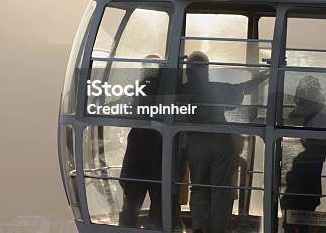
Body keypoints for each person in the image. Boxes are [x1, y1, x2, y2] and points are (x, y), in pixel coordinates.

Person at [181, 51, 269, 233]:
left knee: (198, 188)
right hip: (221, 142)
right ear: (206, 69)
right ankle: (217, 228)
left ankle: (198, 227)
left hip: (195, 142)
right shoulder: (215, 88)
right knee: (220, 191)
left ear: (188, 69)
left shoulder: (181, 90)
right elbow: (243, 88)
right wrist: (266, 74)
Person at [119, 55, 163, 228]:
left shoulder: (136, 90)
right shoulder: (166, 91)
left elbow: (123, 107)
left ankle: (126, 227)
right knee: (159, 202)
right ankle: (158, 225)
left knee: (131, 204)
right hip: (158, 155)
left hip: (136, 156)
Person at [281, 75, 326, 233]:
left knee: (294, 217)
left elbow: (291, 118)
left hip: (305, 182)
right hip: (309, 184)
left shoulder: (317, 116)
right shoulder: (319, 115)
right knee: (301, 218)